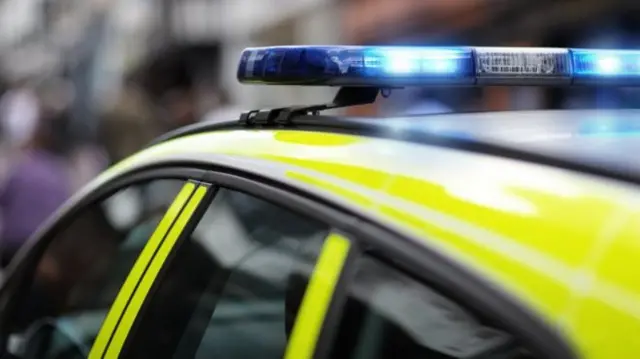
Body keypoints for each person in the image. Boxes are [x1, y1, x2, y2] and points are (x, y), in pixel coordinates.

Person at [0, 105, 72, 268]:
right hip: (42, 249)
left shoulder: (21, 168)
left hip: (12, 247)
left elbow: (4, 198)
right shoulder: (61, 174)